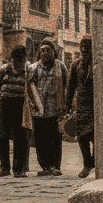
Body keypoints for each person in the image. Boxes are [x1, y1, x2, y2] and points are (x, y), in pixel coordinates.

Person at [0, 44, 37, 178]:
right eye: (16, 59)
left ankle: (19, 169)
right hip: (4, 105)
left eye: (21, 59)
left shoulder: (28, 70)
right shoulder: (4, 69)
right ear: (12, 58)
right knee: (2, 136)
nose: (18, 62)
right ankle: (4, 167)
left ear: (24, 58)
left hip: (21, 106)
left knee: (21, 137)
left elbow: (32, 88)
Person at [31, 39, 68, 176]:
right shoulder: (34, 68)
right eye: (43, 50)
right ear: (39, 52)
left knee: (54, 139)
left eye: (48, 50)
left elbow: (67, 85)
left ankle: (54, 166)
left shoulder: (60, 66)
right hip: (38, 109)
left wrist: (66, 105)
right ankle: (45, 166)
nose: (45, 52)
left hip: (55, 109)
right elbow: (29, 86)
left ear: (53, 52)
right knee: (40, 139)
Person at [65, 33, 95, 178]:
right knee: (82, 137)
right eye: (82, 46)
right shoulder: (75, 65)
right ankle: (86, 164)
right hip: (81, 107)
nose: (84, 49)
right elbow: (70, 87)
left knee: (97, 138)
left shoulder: (97, 63)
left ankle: (94, 161)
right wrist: (67, 105)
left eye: (87, 46)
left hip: (96, 107)